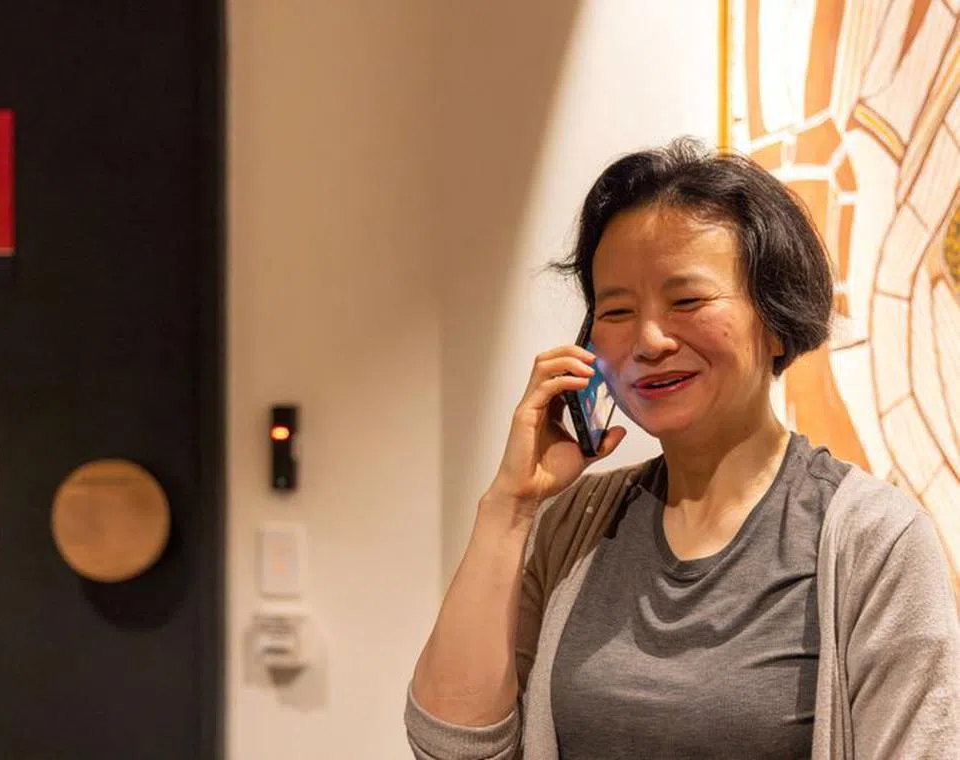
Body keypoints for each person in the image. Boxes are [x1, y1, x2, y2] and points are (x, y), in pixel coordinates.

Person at [405, 137, 960, 759]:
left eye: (688, 300)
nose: (648, 340)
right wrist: (509, 507)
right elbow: (452, 746)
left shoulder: (874, 540)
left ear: (775, 320)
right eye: (616, 310)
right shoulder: (576, 525)